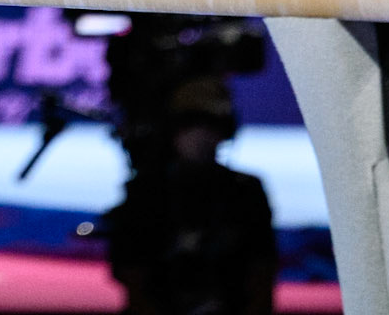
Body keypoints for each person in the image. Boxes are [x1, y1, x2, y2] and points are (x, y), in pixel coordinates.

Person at [106, 76, 276, 315]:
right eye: (190, 125)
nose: (200, 136)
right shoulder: (146, 192)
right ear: (173, 131)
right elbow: (131, 272)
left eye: (211, 126)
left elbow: (263, 268)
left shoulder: (246, 192)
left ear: (225, 132)